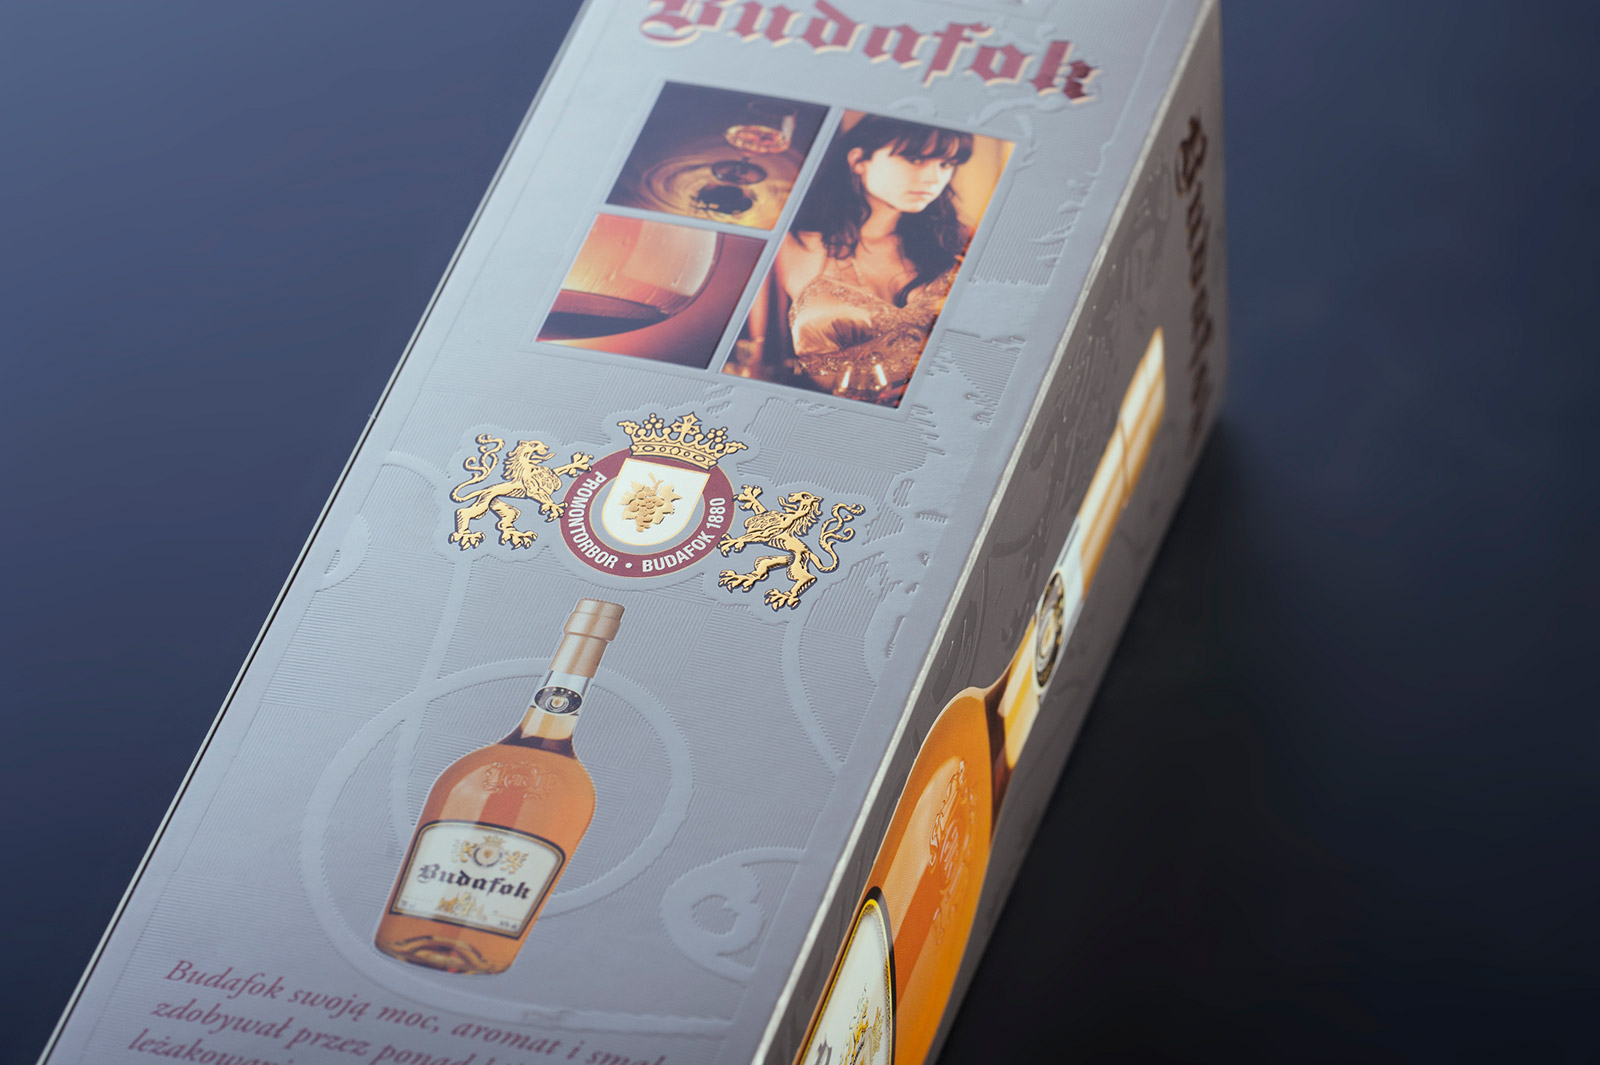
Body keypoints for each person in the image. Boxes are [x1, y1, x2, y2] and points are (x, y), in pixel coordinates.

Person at [760, 115, 974, 405]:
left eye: (946, 164)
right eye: (915, 159)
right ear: (859, 161)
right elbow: (756, 357)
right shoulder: (792, 245)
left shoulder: (958, 244)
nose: (934, 178)